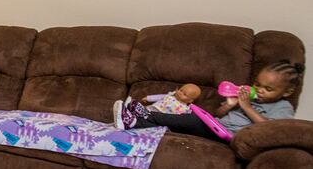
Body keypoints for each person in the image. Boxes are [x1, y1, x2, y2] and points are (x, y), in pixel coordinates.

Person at [114, 61, 305, 142]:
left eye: (268, 89)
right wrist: (230, 105)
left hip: (229, 136)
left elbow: (272, 129)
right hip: (217, 125)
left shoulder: (283, 107)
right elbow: (218, 114)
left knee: (193, 119)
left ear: (287, 92)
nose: (260, 90)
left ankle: (145, 114)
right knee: (185, 120)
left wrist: (246, 107)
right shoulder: (247, 97)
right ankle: (134, 122)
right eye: (257, 84)